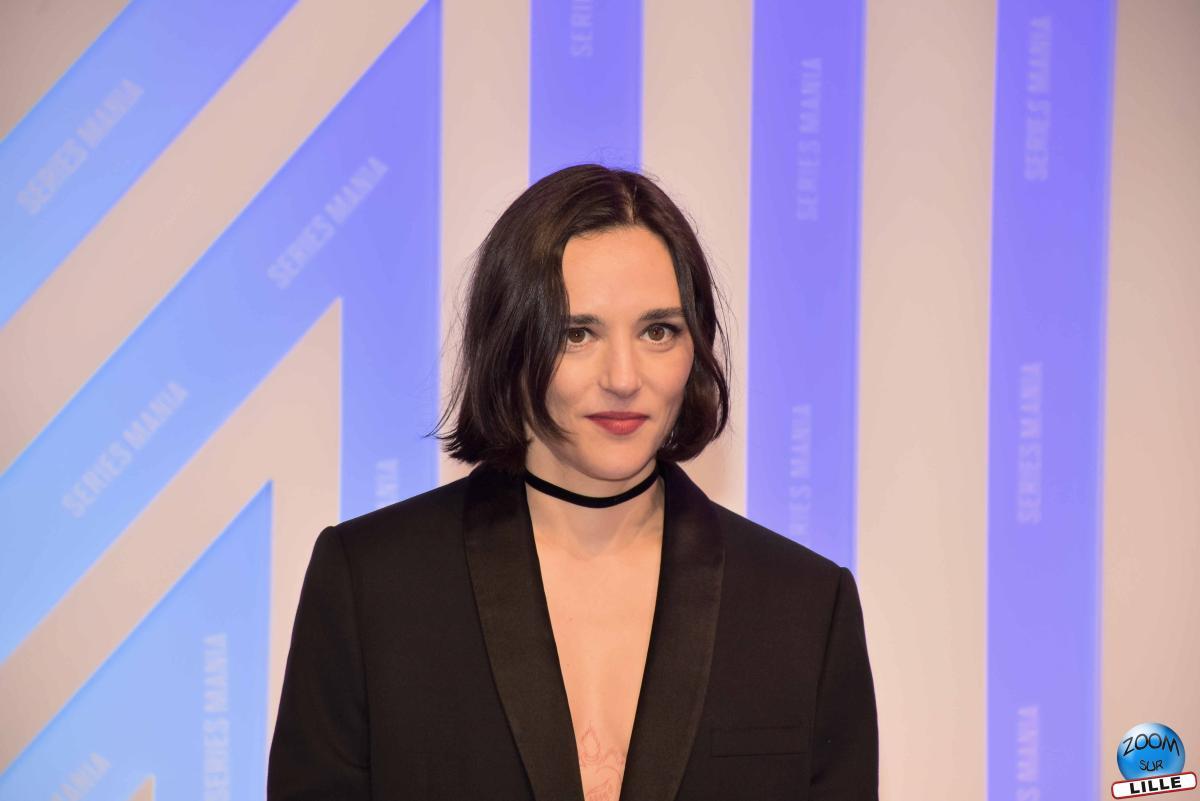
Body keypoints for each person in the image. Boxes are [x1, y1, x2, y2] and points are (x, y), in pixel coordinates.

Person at [267, 164, 878, 800]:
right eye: (577, 333)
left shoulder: (804, 605)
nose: (623, 378)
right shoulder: (373, 585)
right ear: (509, 344)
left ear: (696, 349)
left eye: (658, 331)